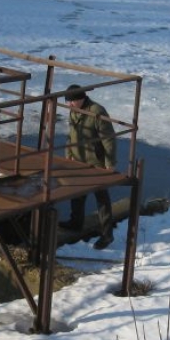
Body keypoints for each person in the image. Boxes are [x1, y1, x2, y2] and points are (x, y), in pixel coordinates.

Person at [61, 84, 117, 249]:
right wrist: (68, 154)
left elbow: (109, 139)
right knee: (77, 193)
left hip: (96, 163)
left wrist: (110, 163)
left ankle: (107, 235)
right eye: (68, 102)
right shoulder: (74, 110)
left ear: (81, 98)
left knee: (101, 198)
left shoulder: (97, 111)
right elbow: (71, 134)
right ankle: (75, 223)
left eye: (71, 102)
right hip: (79, 159)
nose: (69, 105)